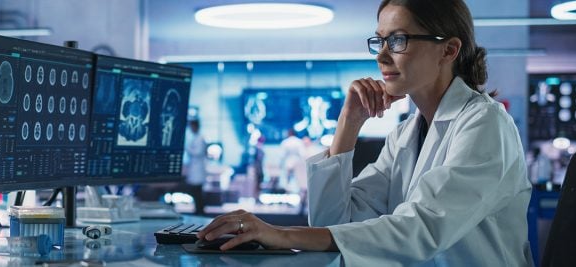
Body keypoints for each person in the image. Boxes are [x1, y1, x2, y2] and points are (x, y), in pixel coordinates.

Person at [196, 0, 533, 265]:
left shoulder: (485, 123)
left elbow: (421, 229)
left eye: (398, 40)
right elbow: (333, 222)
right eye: (380, 41)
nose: (382, 56)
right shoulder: (405, 135)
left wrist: (282, 234)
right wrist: (349, 123)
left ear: (448, 49)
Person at [182, 119, 207, 214]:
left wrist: (188, 148)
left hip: (198, 170)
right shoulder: (194, 137)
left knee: (198, 192)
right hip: (194, 169)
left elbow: (198, 152)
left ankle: (200, 211)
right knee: (196, 192)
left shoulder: (200, 138)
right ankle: (198, 209)